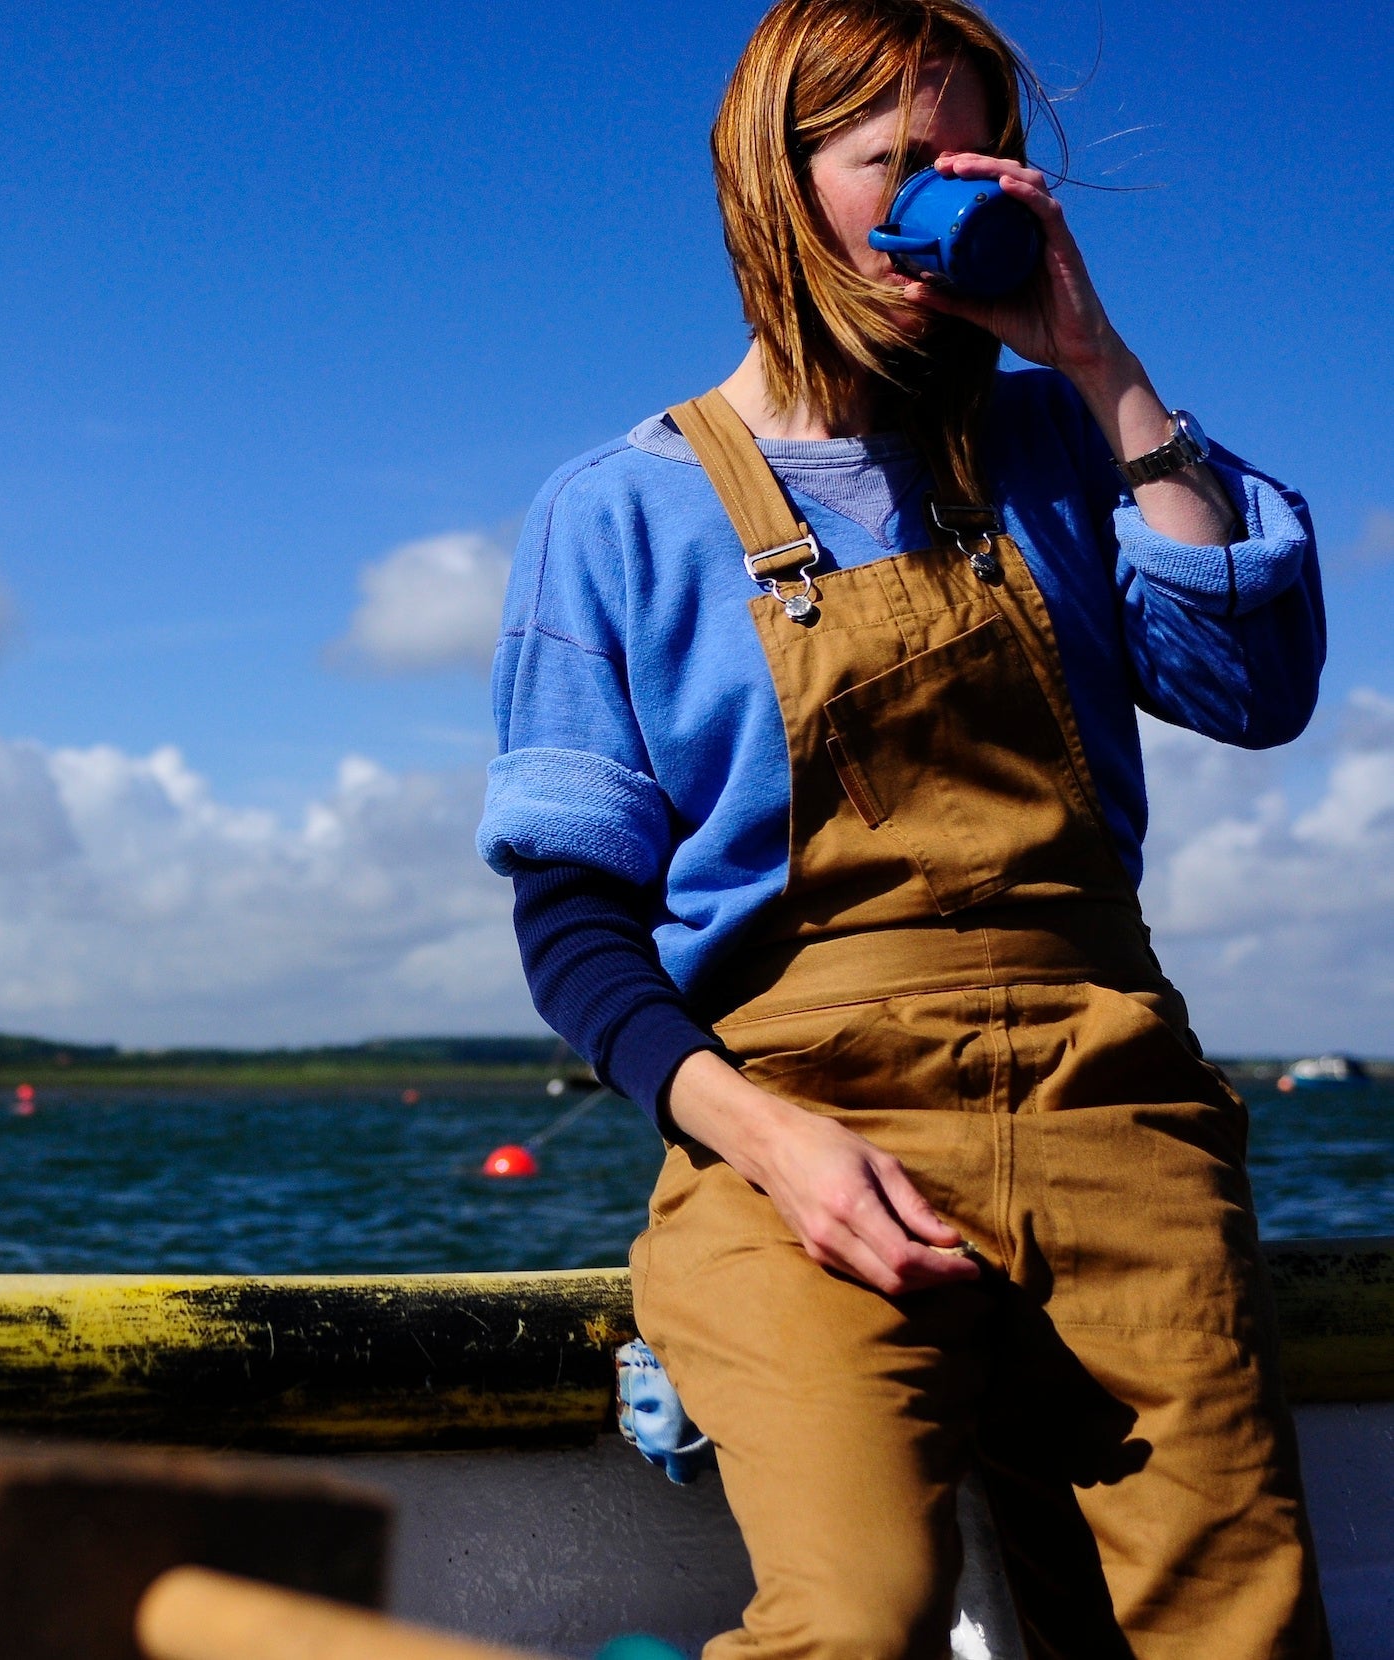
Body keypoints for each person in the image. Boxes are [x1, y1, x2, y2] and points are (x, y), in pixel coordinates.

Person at [476, 2, 1330, 1655]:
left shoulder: (1059, 445)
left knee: (1234, 1626)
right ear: (776, 185)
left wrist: (1094, 355)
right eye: (896, 163)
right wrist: (772, 1142)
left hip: (1116, 1107)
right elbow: (571, 921)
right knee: (858, 1617)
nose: (945, 196)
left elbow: (1256, 682)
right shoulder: (620, 509)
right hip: (798, 1132)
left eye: (972, 156)